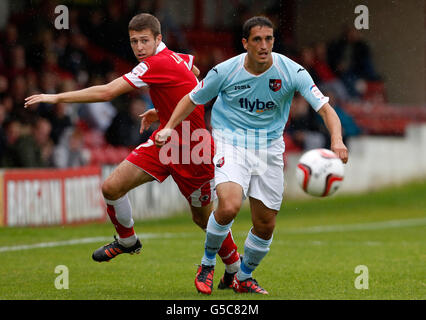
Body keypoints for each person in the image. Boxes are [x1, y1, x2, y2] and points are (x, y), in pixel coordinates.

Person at [24, 13, 240, 291]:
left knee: (203, 219)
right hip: (164, 142)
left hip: (193, 149)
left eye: (144, 41)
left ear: (158, 39)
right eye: (134, 41)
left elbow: (107, 92)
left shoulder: (155, 64)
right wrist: (163, 109)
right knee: (111, 187)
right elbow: (194, 76)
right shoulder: (178, 57)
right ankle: (127, 240)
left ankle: (235, 268)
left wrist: (56, 96)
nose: (138, 47)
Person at [156, 16, 349, 295]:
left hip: (269, 147)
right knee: (230, 205)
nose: (263, 45)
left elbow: (326, 109)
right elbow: (191, 98)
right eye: (257, 39)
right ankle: (207, 263)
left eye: (268, 39)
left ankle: (243, 277)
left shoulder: (292, 72)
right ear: (245, 43)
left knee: (265, 223)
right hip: (230, 141)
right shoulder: (225, 71)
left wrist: (337, 139)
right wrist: (168, 127)